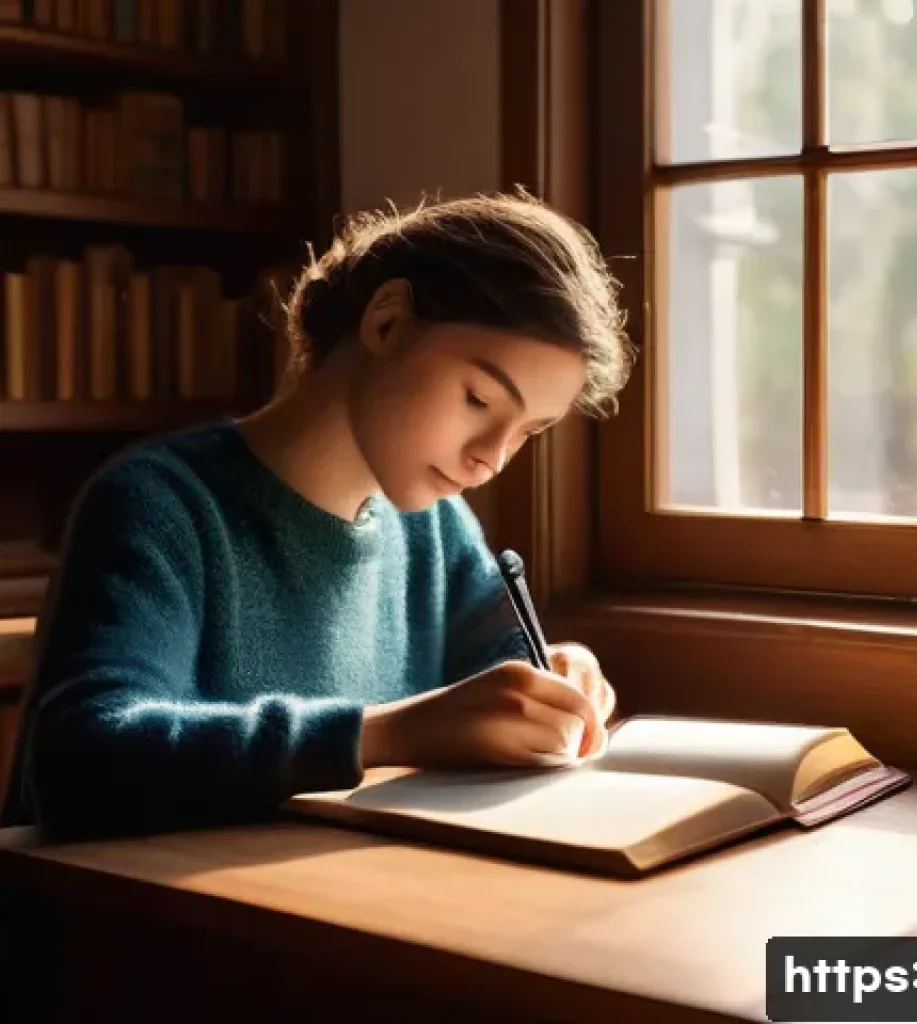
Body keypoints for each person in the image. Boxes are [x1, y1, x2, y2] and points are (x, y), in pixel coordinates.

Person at [0, 191, 634, 840]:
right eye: (479, 399)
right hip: (149, 926)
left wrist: (556, 673)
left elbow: (501, 668)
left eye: (528, 430)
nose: (493, 457)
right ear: (386, 323)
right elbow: (79, 761)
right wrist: (386, 733)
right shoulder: (161, 503)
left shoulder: (438, 527)